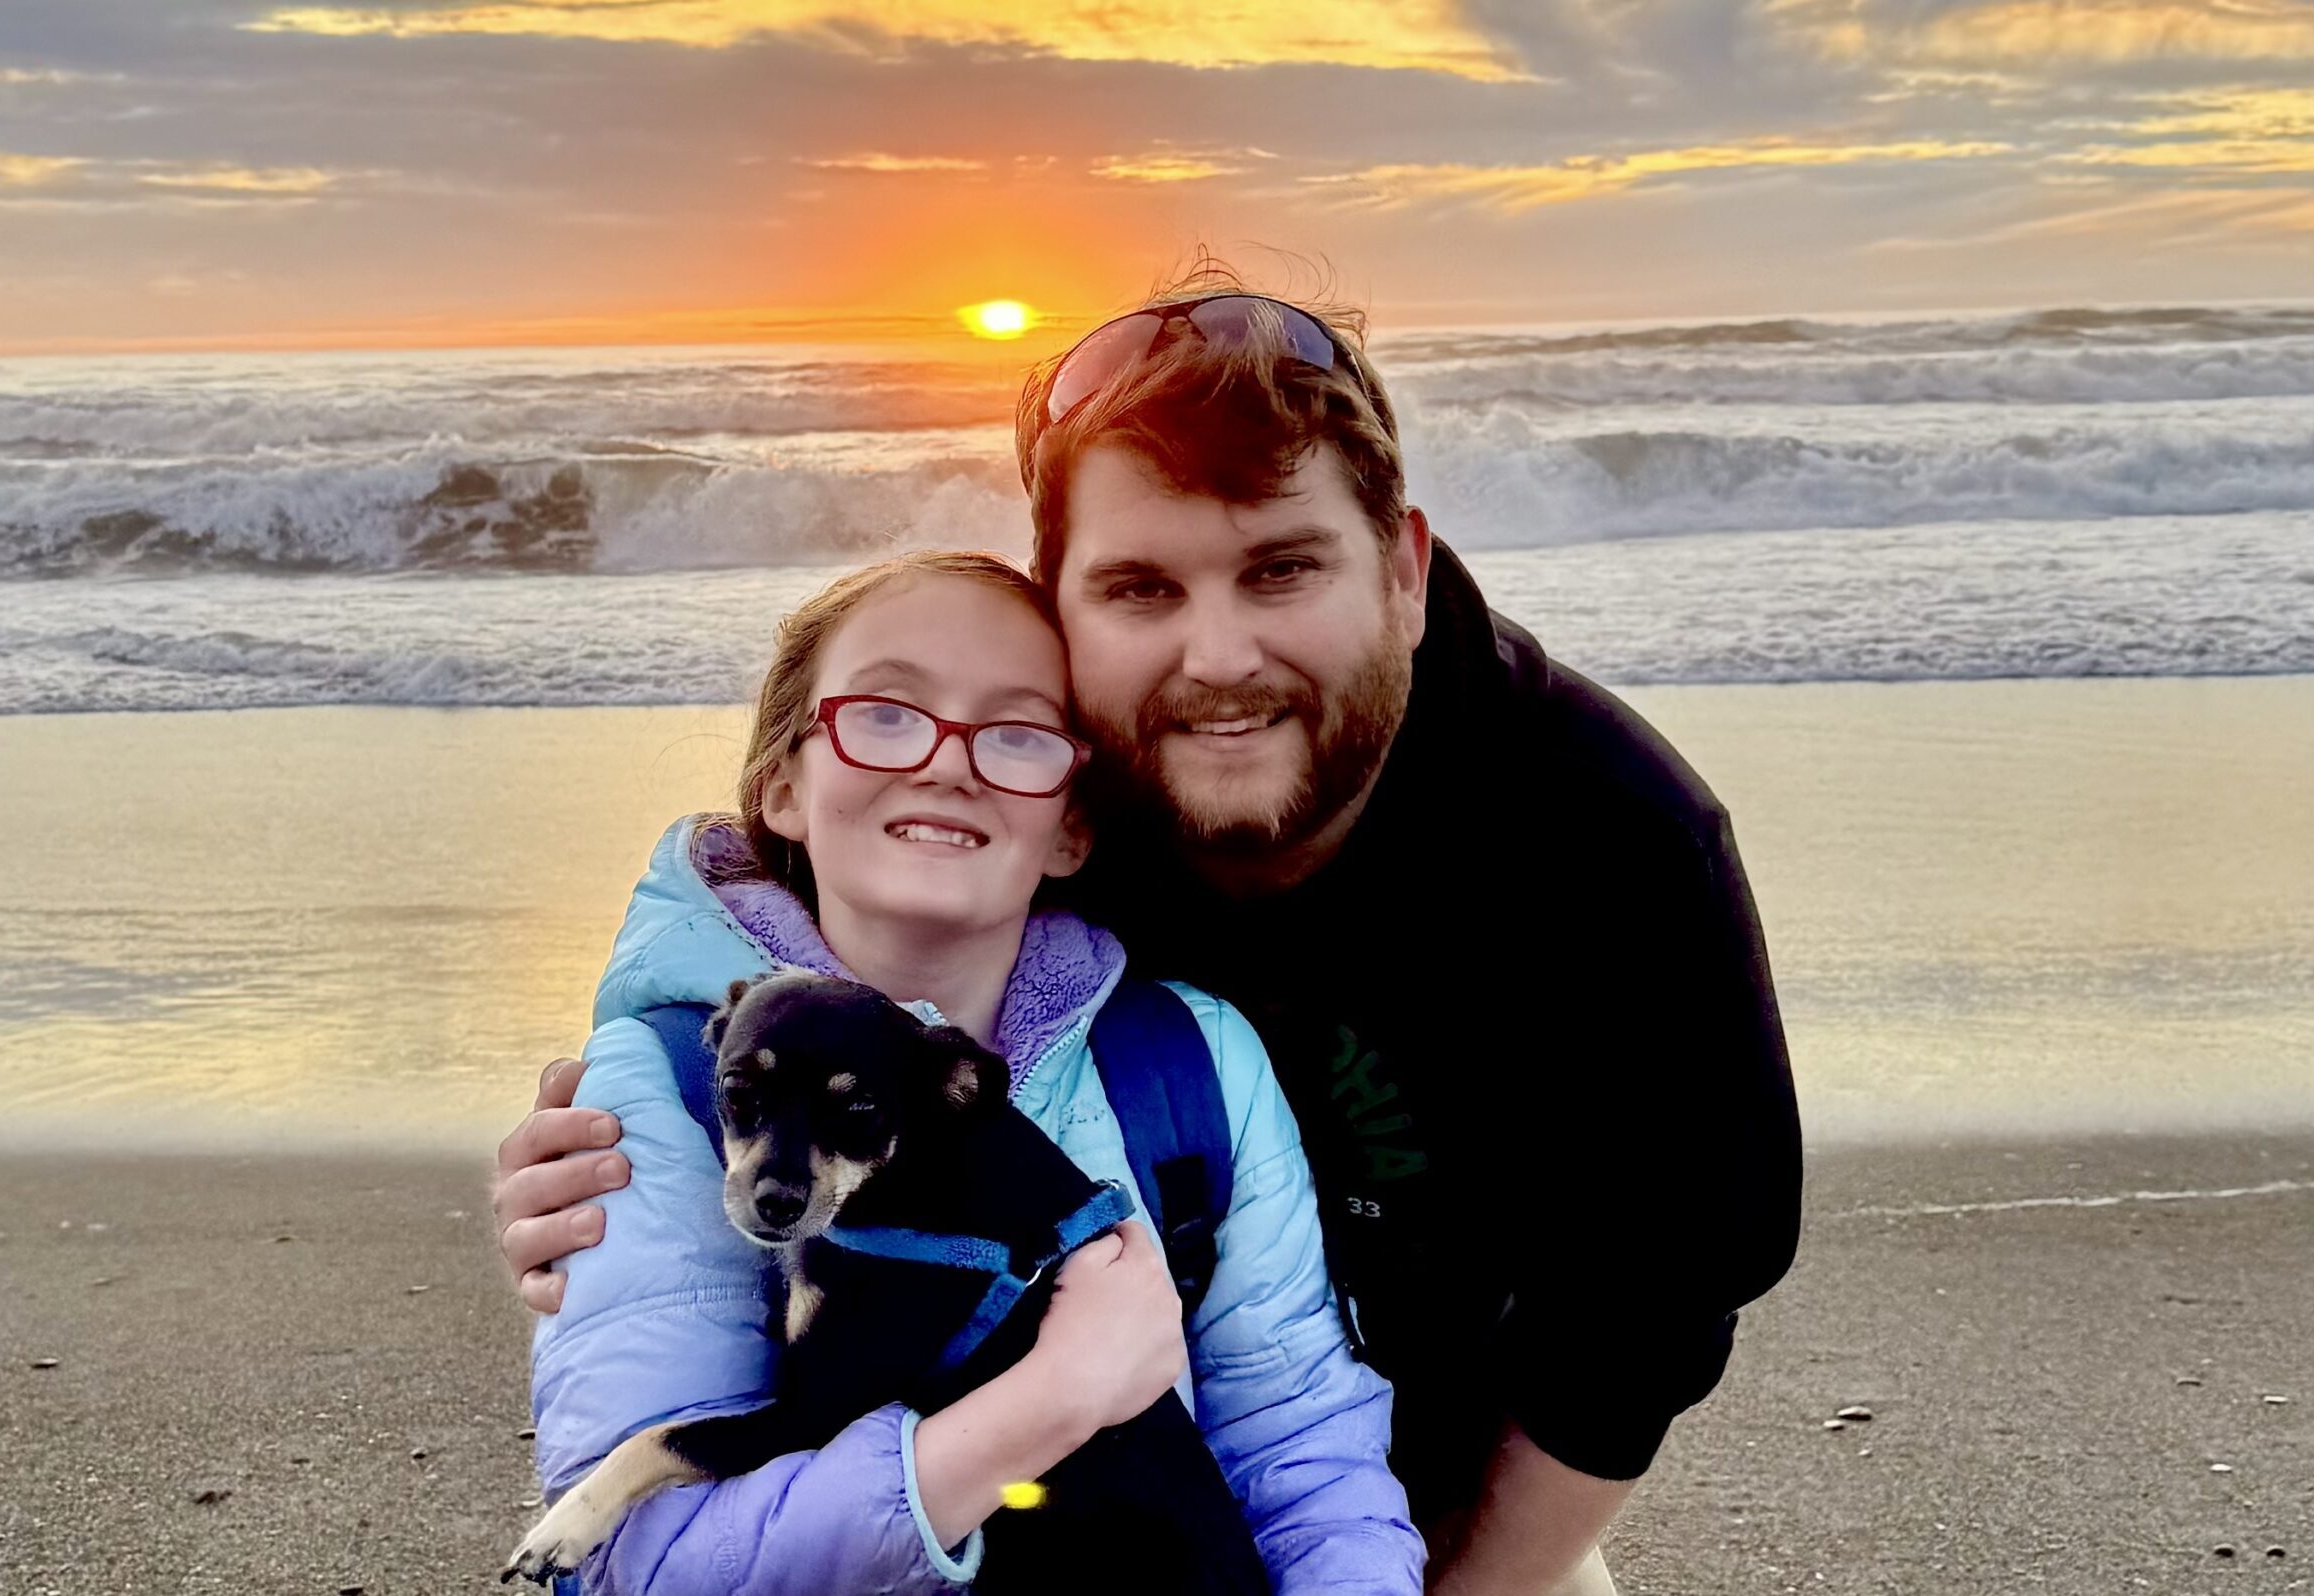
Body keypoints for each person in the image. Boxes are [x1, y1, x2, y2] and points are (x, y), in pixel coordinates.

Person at [498, 276, 1804, 1595]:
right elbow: (810, 928)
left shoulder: (1613, 849)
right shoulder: (1048, 779)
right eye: (1137, 586)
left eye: (1284, 567)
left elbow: (1646, 1323)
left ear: (1405, 571)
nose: (1218, 657)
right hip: (924, 1473)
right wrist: (627, 1124)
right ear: (1060, 603)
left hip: (1425, 1492)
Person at [527, 549, 1422, 1594]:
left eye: (1016, 734)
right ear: (782, 785)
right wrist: (1051, 1400)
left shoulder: (1188, 1065)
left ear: (1071, 826)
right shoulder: (665, 1087)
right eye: (887, 712)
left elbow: (1307, 1462)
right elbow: (644, 1567)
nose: (948, 762)